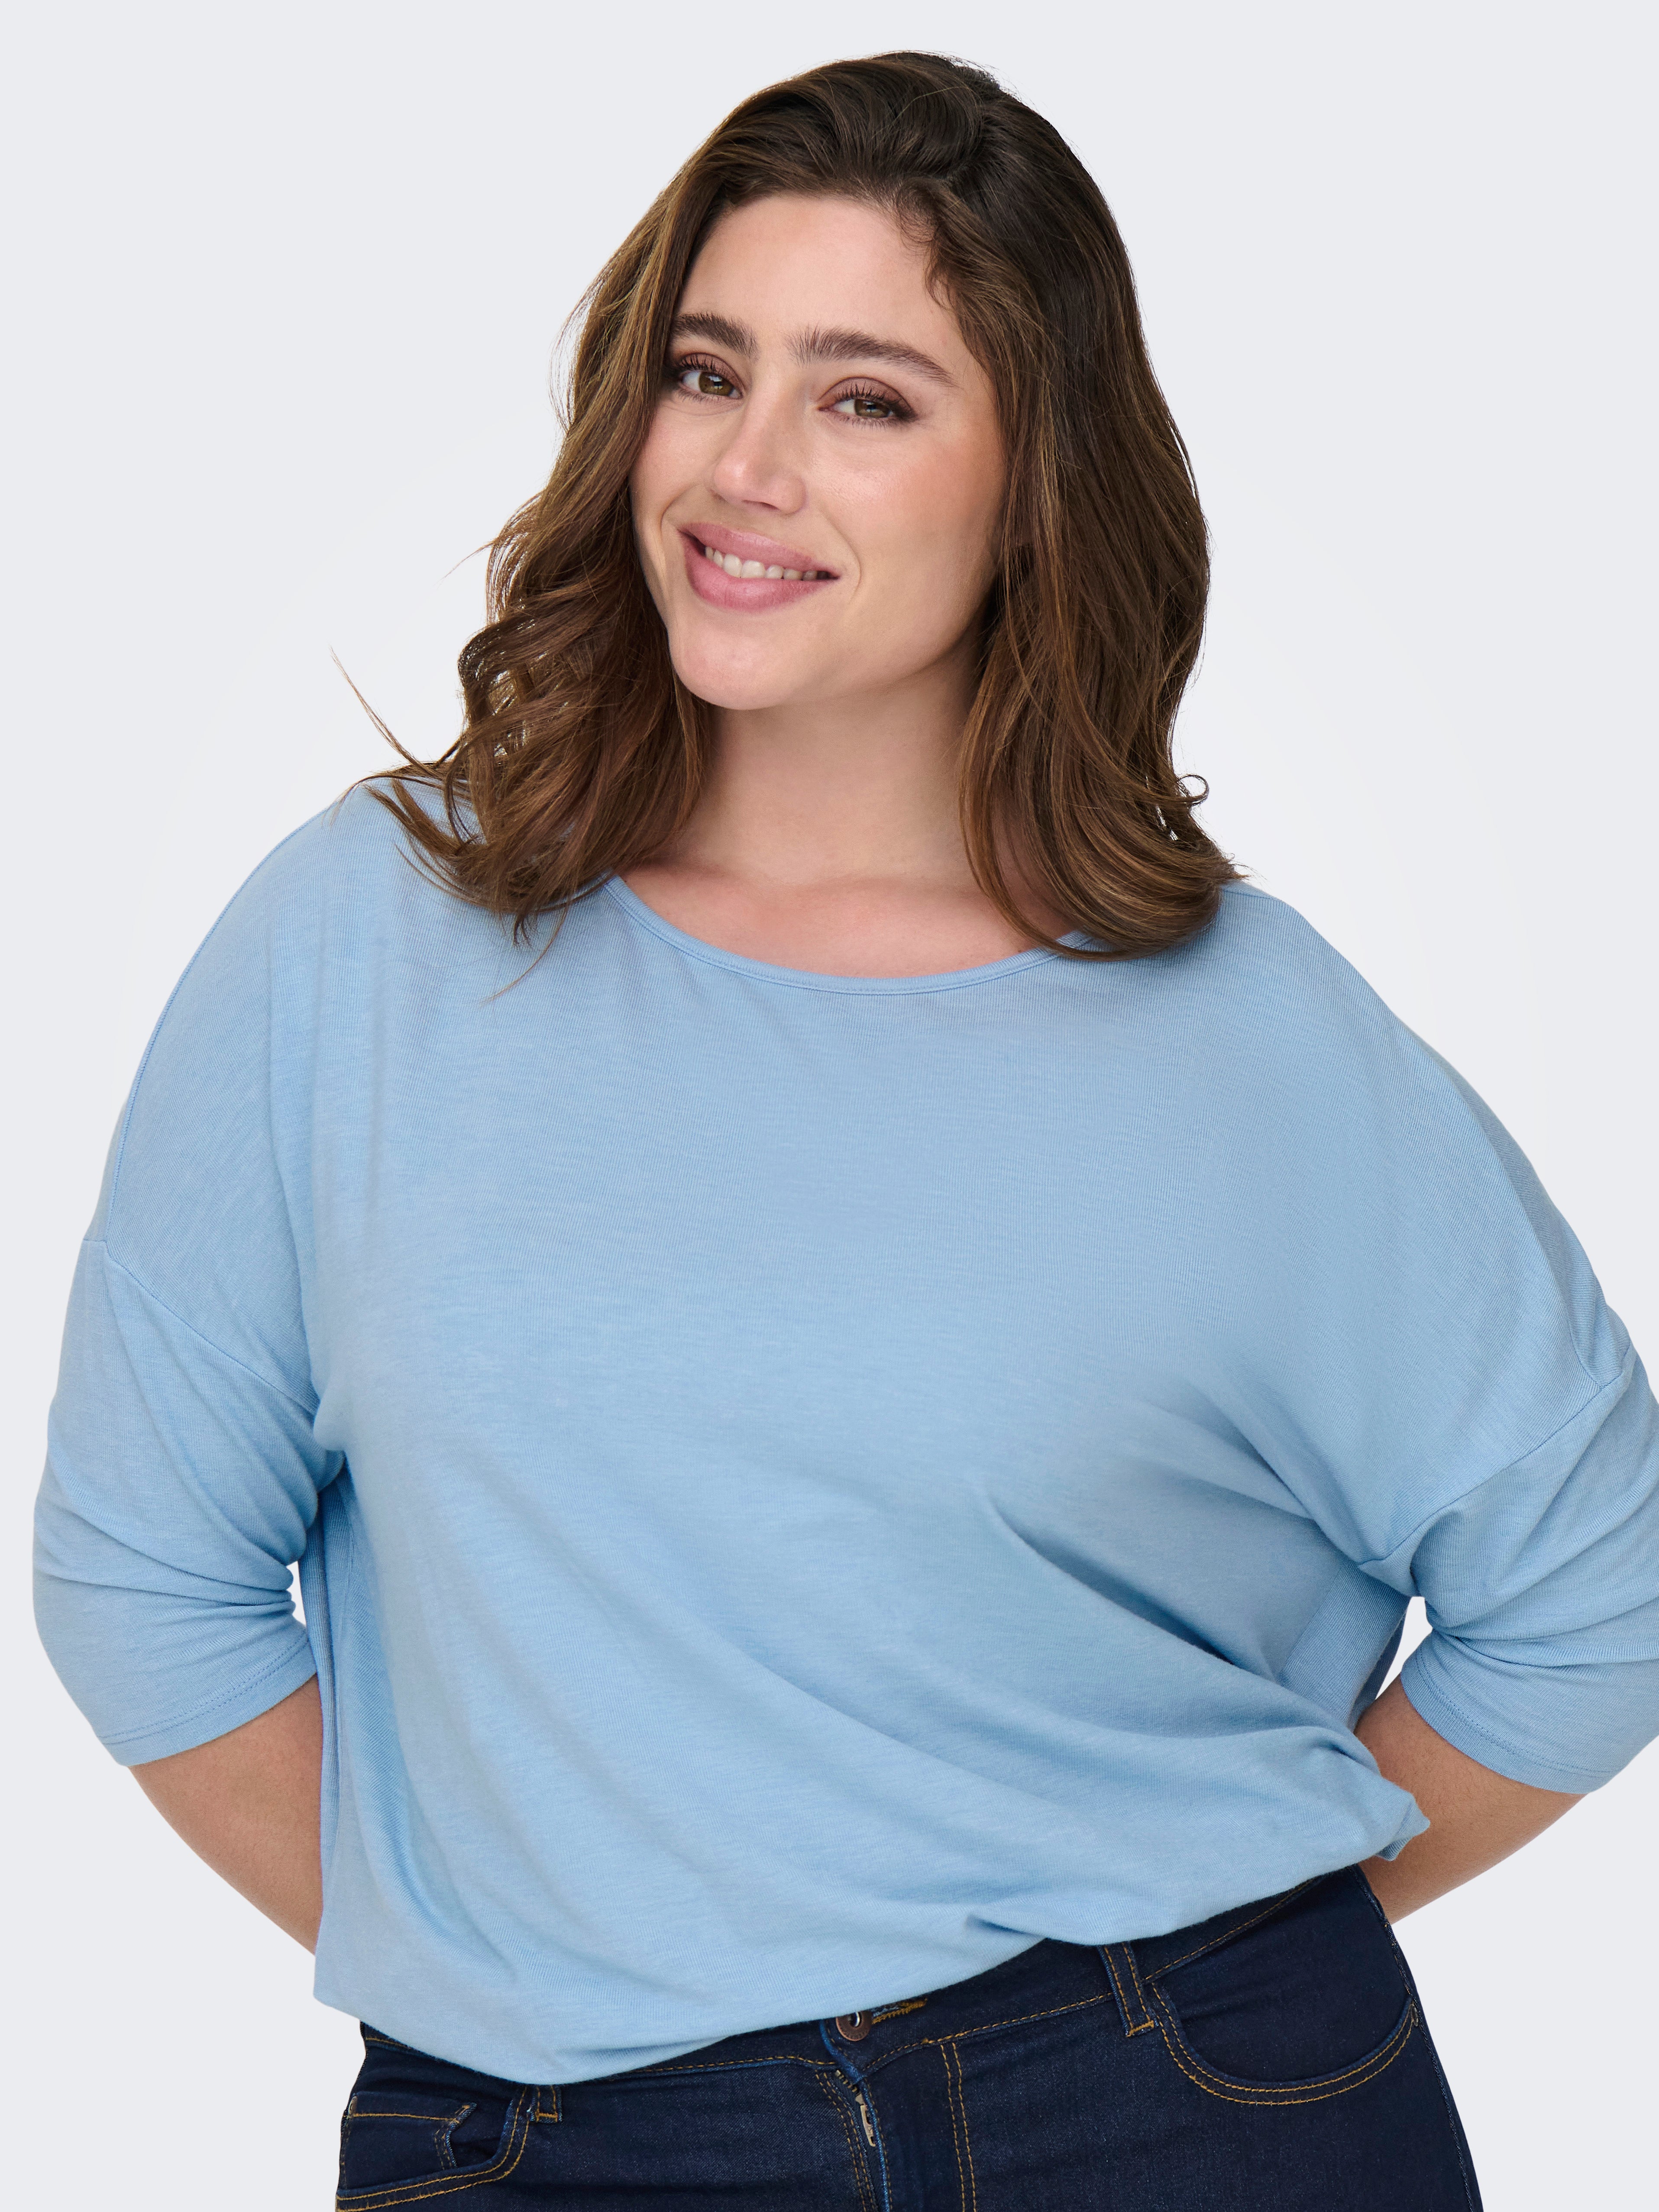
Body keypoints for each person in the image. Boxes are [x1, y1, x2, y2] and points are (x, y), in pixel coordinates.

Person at [33, 50, 1659, 2212]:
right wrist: (541, 1956)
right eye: (708, 370)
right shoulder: (368, 938)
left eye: (867, 398)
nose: (747, 466)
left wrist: (1200, 1954)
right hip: (559, 2137)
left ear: (1034, 488)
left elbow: (1597, 1591)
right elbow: (145, 1580)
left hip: (1182, 2112)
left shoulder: (1248, 1031)